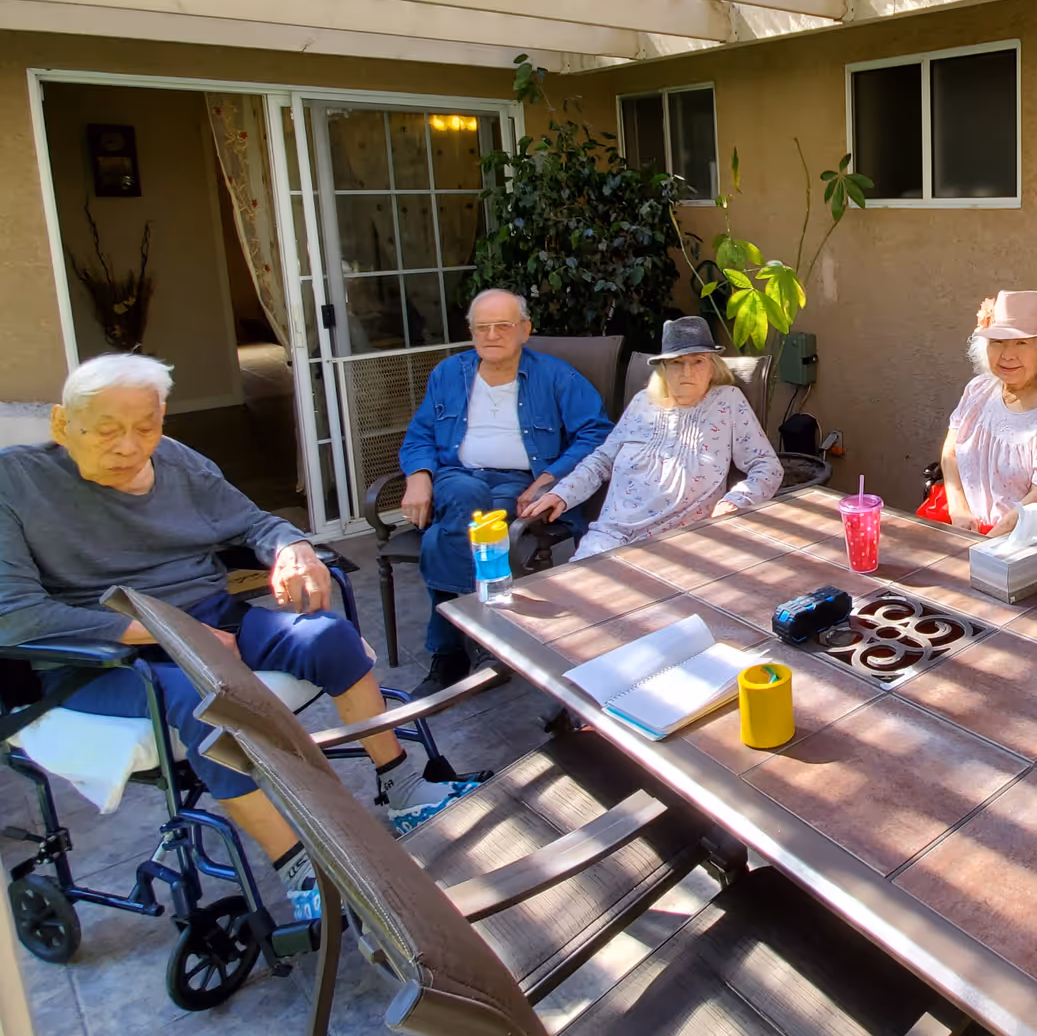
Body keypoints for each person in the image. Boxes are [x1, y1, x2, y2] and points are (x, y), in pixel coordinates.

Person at [0, 354, 480, 922]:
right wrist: (170, 633)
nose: (130, 447)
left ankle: (401, 787)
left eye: (146, 426)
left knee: (327, 634)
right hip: (100, 656)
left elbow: (256, 522)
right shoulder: (16, 481)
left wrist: (292, 549)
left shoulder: (178, 463)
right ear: (62, 424)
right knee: (205, 700)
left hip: (212, 617)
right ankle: (300, 868)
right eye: (107, 431)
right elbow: (16, 616)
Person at [397, 289, 612, 694]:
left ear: (525, 330)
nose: (491, 335)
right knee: (468, 501)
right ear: (471, 332)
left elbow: (596, 432)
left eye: (503, 325)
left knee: (447, 535)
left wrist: (548, 479)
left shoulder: (556, 376)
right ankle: (483, 644)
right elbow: (419, 435)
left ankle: (449, 653)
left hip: (518, 485)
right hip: (456, 476)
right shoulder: (448, 374)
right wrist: (419, 476)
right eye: (482, 327)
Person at [522, 317, 781, 558]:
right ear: (663, 369)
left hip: (682, 541)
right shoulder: (642, 402)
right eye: (677, 363)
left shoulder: (727, 401)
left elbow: (767, 467)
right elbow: (602, 461)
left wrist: (735, 501)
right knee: (580, 595)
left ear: (713, 366)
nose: (687, 372)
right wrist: (562, 493)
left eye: (698, 361)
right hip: (611, 535)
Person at [922, 290, 1037, 537]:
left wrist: (986, 543)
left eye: (1021, 343)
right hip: (957, 522)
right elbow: (950, 453)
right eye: (997, 342)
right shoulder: (978, 389)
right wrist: (959, 511)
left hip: (1018, 537)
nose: (1008, 355)